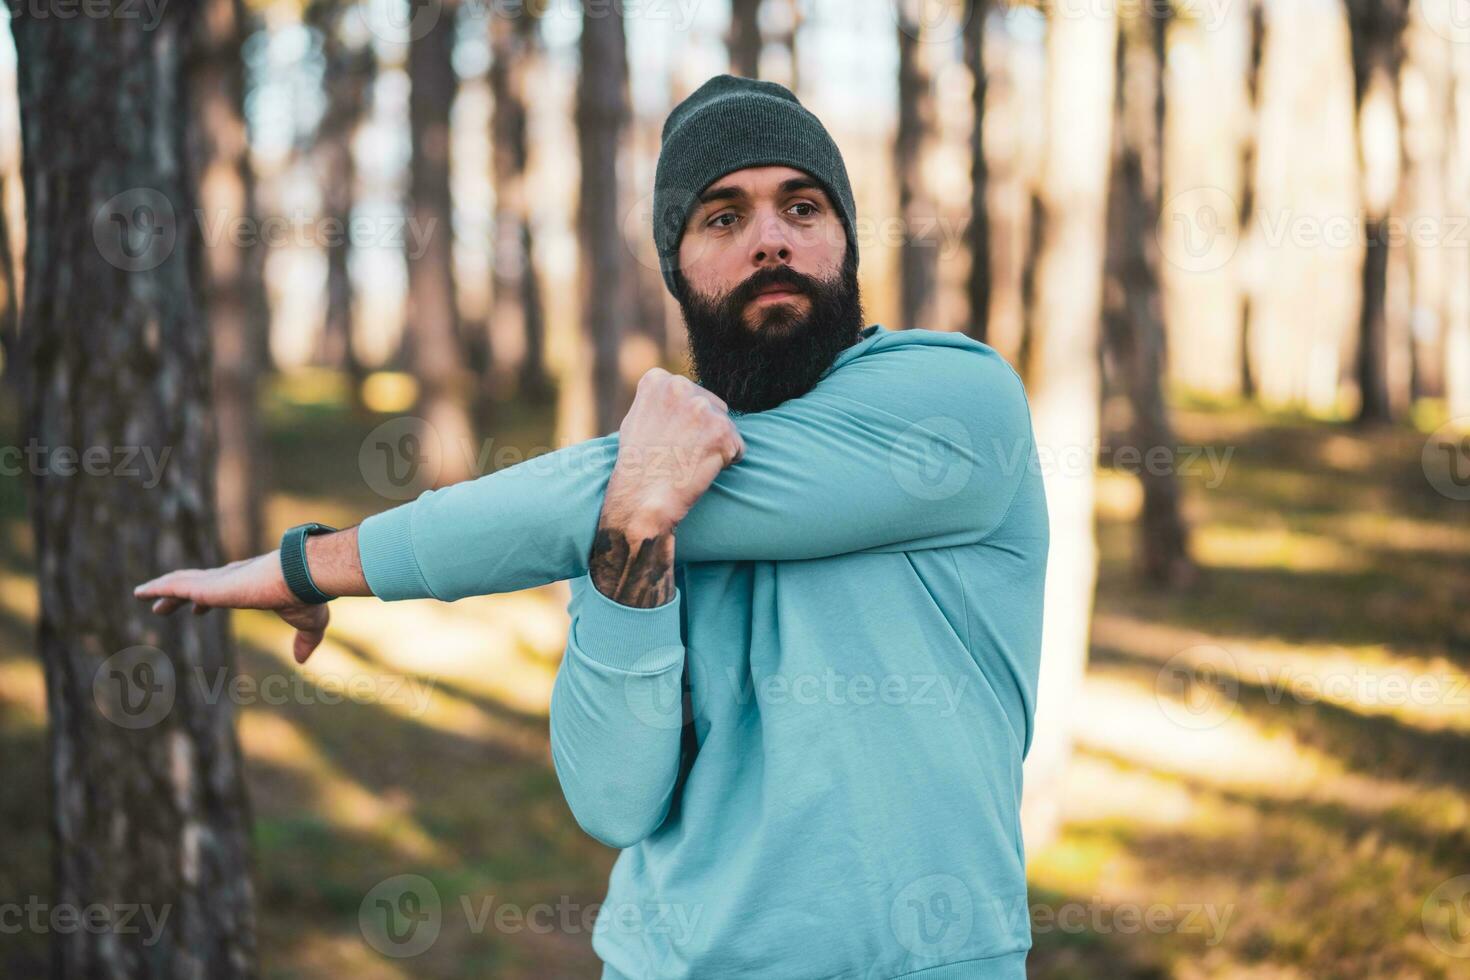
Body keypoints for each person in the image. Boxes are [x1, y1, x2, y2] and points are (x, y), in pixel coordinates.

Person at [136, 74, 1049, 979]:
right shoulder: (631, 495)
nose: (771, 241)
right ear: (677, 267)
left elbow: (572, 498)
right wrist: (630, 546)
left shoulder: (955, 404)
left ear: (846, 238)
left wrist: (310, 566)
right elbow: (615, 802)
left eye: (803, 208)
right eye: (723, 217)